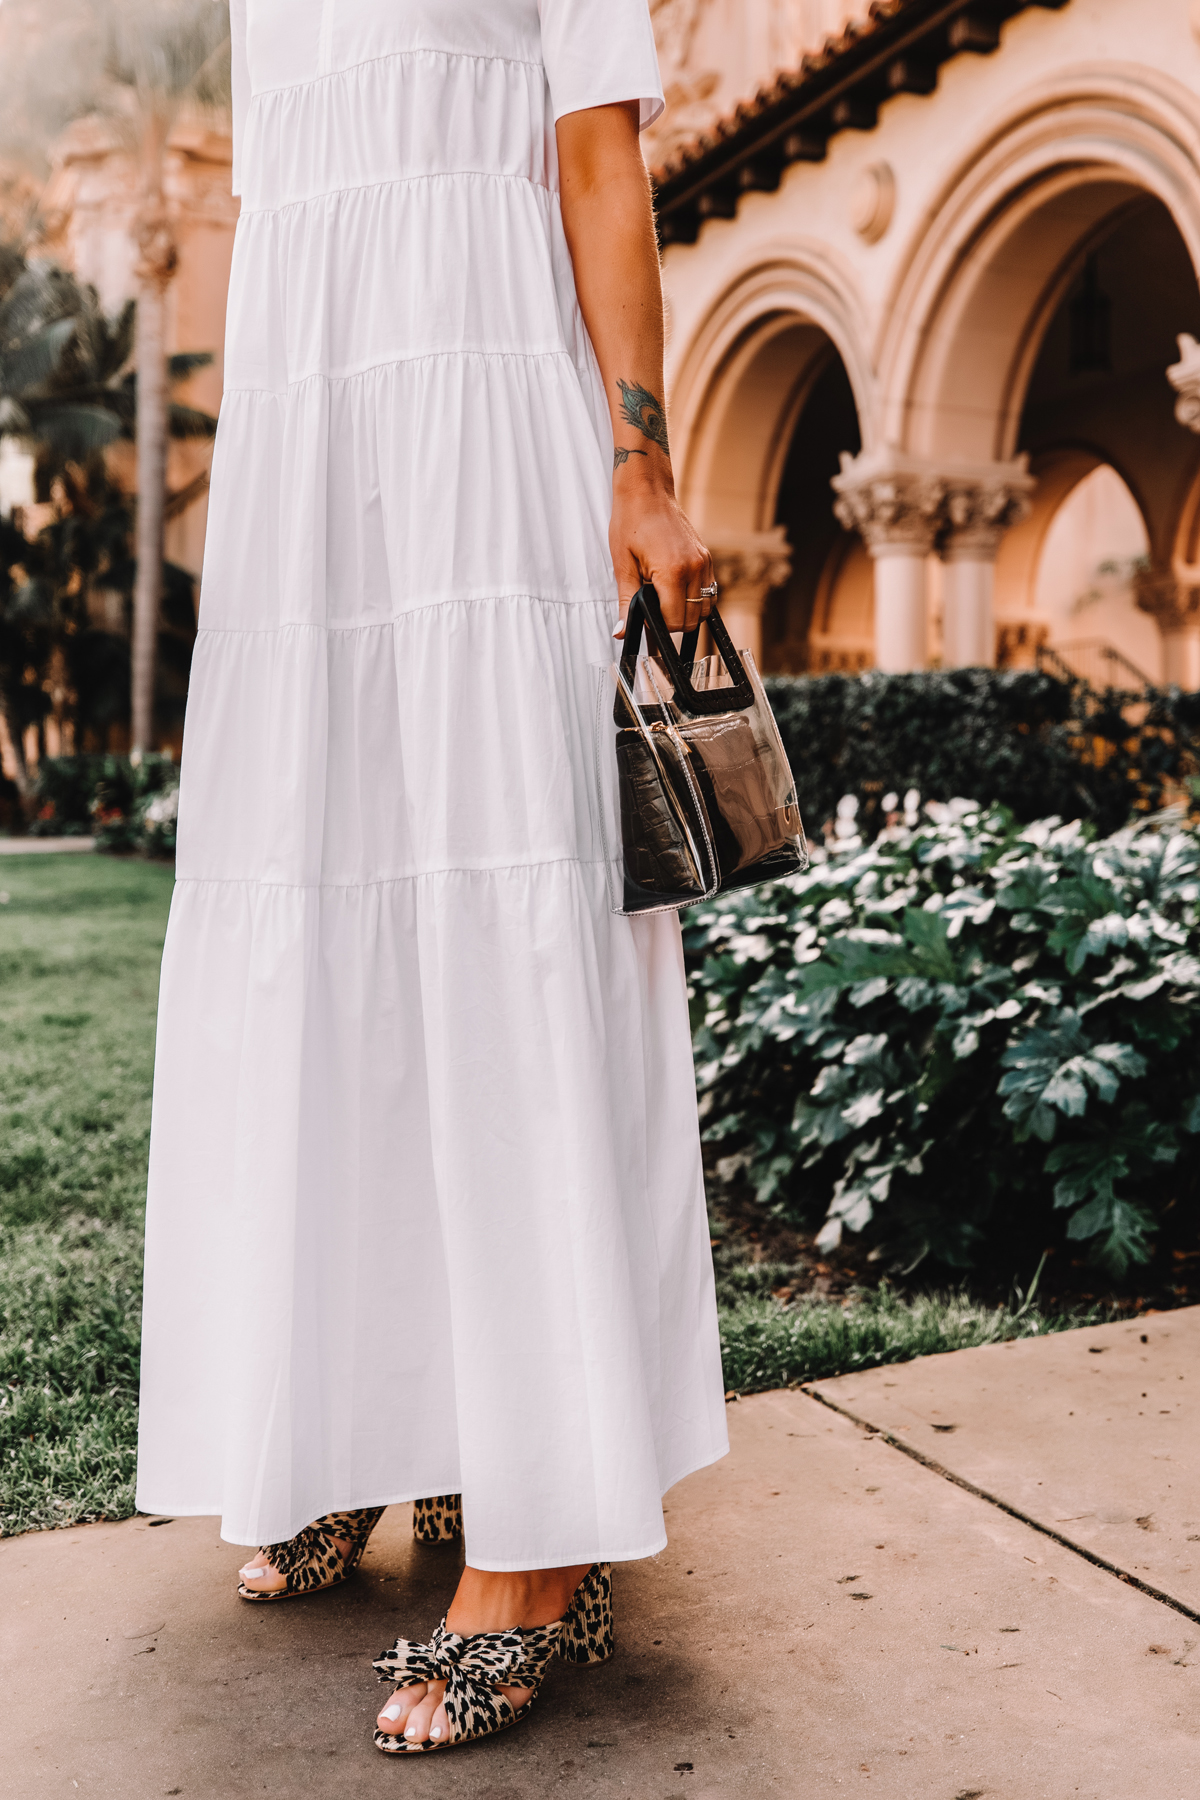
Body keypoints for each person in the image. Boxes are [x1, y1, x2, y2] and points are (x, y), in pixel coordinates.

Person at [135, 0, 728, 1755]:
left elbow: (598, 156)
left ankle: (542, 1533)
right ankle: (364, 1419)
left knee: (498, 918)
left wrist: (640, 458)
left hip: (490, 450)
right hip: (314, 459)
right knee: (324, 922)